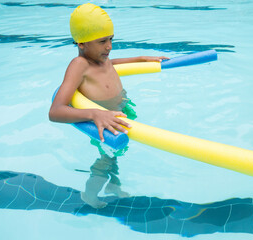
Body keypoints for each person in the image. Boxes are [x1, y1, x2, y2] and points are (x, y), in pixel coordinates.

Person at [49, 3, 168, 208]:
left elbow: (113, 63)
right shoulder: (80, 65)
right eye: (103, 41)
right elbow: (55, 111)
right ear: (82, 44)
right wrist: (95, 114)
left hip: (118, 114)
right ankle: (90, 194)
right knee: (106, 159)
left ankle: (113, 185)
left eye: (111, 39)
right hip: (102, 122)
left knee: (115, 154)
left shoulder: (102, 59)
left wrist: (141, 58)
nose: (109, 46)